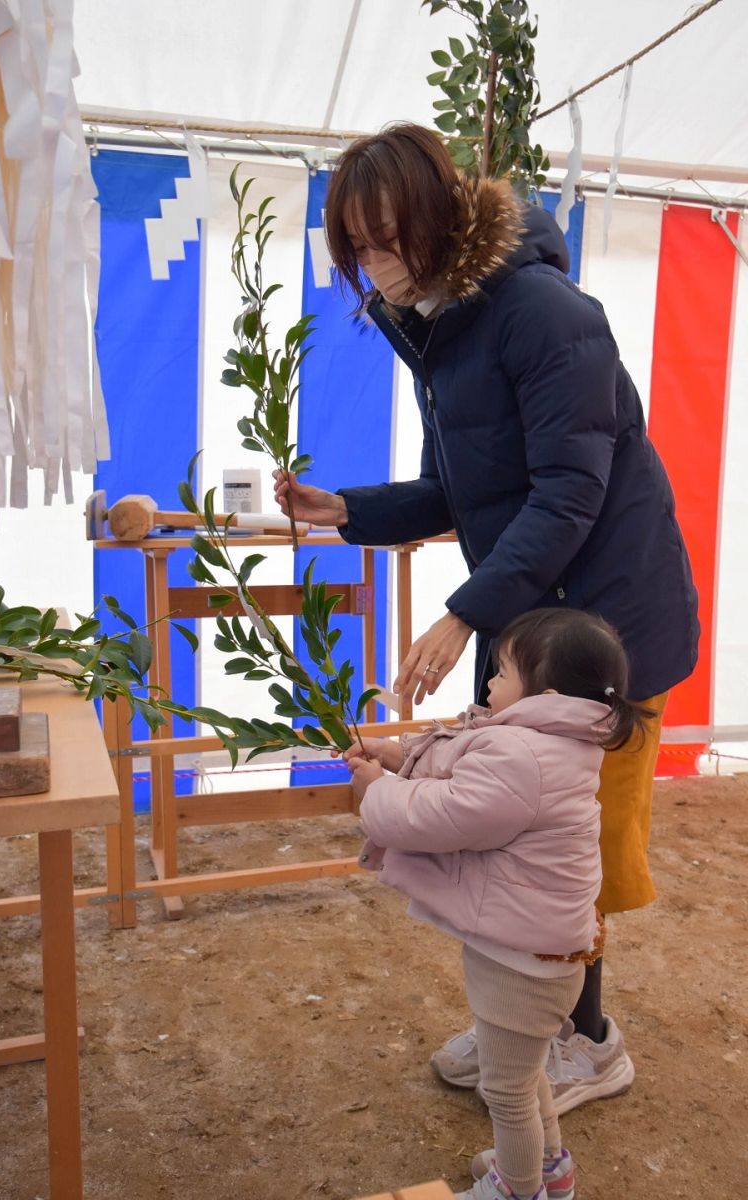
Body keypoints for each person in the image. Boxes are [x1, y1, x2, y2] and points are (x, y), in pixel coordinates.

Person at [273, 122, 699, 1112]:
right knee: (512, 832)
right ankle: (530, 1019)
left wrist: (462, 616)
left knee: (568, 844)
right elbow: (462, 487)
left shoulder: (542, 314)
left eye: (384, 242)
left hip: (605, 627)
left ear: (435, 221)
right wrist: (349, 510)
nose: (370, 268)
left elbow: (565, 496)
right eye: (355, 250)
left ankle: (586, 1040)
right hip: (531, 617)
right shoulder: (436, 323)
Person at [346, 608, 651, 1200]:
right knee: (524, 1070)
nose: (489, 680)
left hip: (521, 964)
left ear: (549, 692)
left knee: (506, 1090)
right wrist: (393, 756)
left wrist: (377, 793)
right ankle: (549, 1170)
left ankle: (518, 1188)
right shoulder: (545, 743)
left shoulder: (524, 757)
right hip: (530, 951)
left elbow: (445, 815)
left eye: (503, 669)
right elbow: (461, 760)